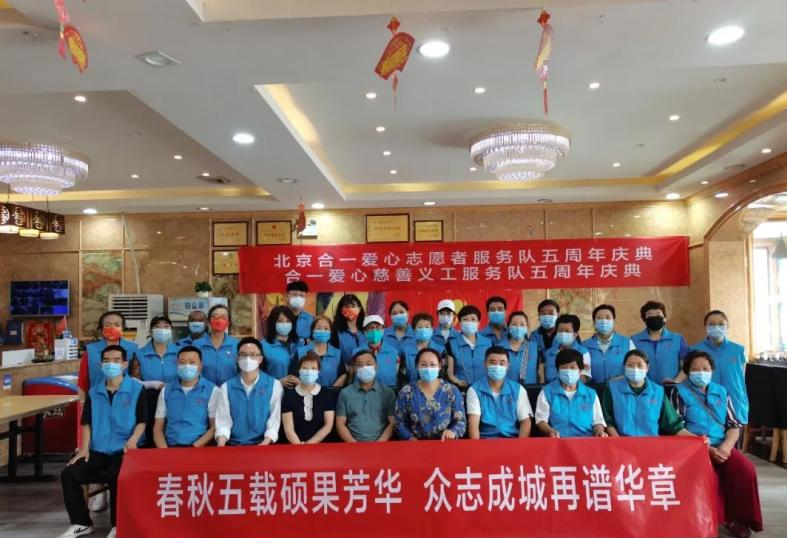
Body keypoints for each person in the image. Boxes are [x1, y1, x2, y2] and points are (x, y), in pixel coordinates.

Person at [671, 350, 762, 538]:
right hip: (693, 448)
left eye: (705, 368)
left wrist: (726, 448)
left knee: (746, 470)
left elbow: (733, 425)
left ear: (711, 370)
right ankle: (704, 520)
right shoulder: (678, 392)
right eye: (695, 369)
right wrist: (706, 448)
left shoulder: (721, 391)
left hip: (722, 445)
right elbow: (677, 427)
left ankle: (739, 520)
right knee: (707, 478)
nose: (701, 372)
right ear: (687, 371)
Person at [59, 345, 146, 538]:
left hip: (124, 449)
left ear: (124, 364)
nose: (111, 364)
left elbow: (142, 421)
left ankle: (118, 525)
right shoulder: (94, 392)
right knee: (69, 473)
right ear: (100, 365)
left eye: (116, 360)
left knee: (117, 474)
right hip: (98, 449)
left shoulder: (137, 389)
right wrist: (84, 448)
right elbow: (86, 422)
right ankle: (81, 522)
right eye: (107, 361)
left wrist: (133, 441)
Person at [602, 349, 691, 437]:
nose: (635, 369)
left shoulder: (658, 392)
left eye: (640, 365)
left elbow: (673, 425)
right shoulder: (612, 388)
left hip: (650, 443)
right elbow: (608, 421)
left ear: (647, 367)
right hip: (621, 442)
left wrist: (695, 439)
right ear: (624, 367)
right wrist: (618, 440)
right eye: (630, 365)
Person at [215, 337, 283, 446]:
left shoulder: (274, 385)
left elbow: (274, 421)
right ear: (237, 358)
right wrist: (221, 447)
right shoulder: (226, 387)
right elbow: (223, 422)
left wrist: (263, 445)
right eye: (243, 354)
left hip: (263, 444)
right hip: (233, 445)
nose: (248, 359)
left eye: (253, 355)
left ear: (260, 359)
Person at [152, 346, 219, 448]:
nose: (187, 366)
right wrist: (165, 452)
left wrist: (193, 448)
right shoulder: (166, 390)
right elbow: (158, 428)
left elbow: (214, 427)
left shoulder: (212, 390)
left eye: (192, 362)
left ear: (200, 366)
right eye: (182, 362)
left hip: (198, 447)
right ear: (177, 364)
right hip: (169, 447)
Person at [691, 310, 749, 425]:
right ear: (705, 326)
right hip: (707, 404)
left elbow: (741, 377)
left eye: (721, 324)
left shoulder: (738, 350)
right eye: (711, 324)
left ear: (727, 326)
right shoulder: (695, 350)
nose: (716, 327)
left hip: (735, 403)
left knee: (735, 434)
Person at [395, 348, 466, 440]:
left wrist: (452, 432)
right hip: (415, 444)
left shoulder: (451, 391)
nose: (428, 368)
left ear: (440, 366)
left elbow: (461, 421)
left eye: (433, 364)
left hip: (444, 443)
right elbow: (399, 422)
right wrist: (409, 438)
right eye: (423, 364)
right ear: (417, 366)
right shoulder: (407, 392)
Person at [535, 348, 607, 438]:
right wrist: (550, 431)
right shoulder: (547, 392)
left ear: (580, 370)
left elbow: (598, 422)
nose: (568, 371)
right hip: (558, 440)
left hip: (585, 440)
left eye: (572, 367)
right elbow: (541, 420)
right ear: (558, 371)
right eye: (564, 367)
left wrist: (599, 431)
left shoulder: (591, 394)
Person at [467, 346, 533, 439]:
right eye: (492, 362)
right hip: (485, 442)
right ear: (485, 364)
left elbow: (525, 422)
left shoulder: (518, 389)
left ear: (508, 366)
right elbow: (473, 423)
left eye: (502, 363)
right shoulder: (474, 390)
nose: (497, 366)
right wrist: (477, 447)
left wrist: (520, 445)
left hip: (511, 441)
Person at [335, 350, 396, 442]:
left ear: (376, 366)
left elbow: (393, 423)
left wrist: (379, 444)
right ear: (355, 368)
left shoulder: (388, 393)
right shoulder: (345, 393)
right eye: (360, 364)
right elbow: (340, 424)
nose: (364, 367)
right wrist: (354, 445)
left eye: (368, 364)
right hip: (353, 444)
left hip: (381, 444)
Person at [77, 311, 139, 396]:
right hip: (97, 398)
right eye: (108, 325)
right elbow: (82, 383)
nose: (112, 328)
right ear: (101, 328)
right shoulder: (91, 350)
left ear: (123, 328)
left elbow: (137, 380)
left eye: (117, 325)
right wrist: (82, 402)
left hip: (126, 399)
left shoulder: (133, 349)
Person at [281, 352, 336, 444]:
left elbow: (328, 426)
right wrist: (299, 447)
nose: (309, 371)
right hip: (295, 446)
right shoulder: (289, 395)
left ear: (318, 371)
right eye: (305, 368)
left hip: (321, 446)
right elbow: (288, 429)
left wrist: (309, 444)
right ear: (299, 370)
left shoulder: (326, 394)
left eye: (313, 368)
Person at [631, 300, 689, 384]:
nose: (654, 318)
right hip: (645, 388)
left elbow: (685, 366)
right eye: (650, 315)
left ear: (664, 319)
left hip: (672, 387)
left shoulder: (678, 339)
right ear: (644, 320)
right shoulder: (634, 340)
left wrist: (675, 381)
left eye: (658, 315)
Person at [583, 304, 636, 383]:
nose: (604, 321)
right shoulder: (584, 346)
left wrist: (619, 379)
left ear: (614, 321)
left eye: (608, 317)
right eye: (599, 317)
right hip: (592, 388)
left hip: (619, 387)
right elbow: (582, 372)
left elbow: (635, 367)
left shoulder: (627, 343)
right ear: (594, 323)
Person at [446, 305, 492, 390]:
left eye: (473, 319)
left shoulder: (488, 343)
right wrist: (457, 382)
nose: (469, 322)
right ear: (460, 323)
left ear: (478, 323)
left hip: (484, 388)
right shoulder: (452, 343)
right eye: (465, 319)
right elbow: (450, 373)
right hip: (461, 390)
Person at [193, 305, 240, 387]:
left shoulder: (236, 344)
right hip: (204, 390)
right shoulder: (197, 344)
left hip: (230, 390)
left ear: (228, 322)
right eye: (215, 317)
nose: (219, 320)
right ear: (208, 321)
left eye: (223, 317)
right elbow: (194, 371)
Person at [294, 316, 347, 387]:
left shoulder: (337, 353)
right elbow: (293, 376)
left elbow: (343, 375)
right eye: (319, 328)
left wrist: (330, 391)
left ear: (330, 332)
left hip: (331, 393)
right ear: (312, 330)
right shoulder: (300, 352)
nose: (322, 331)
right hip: (304, 392)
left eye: (326, 329)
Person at [352, 315, 400, 388]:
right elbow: (352, 375)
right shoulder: (356, 352)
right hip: (362, 392)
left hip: (388, 392)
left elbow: (397, 373)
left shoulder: (394, 352)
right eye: (371, 328)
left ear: (383, 329)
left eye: (378, 327)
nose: (374, 331)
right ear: (365, 331)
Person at [542, 314, 592, 383]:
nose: (563, 333)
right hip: (551, 389)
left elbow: (583, 379)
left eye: (567, 331)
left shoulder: (583, 352)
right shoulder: (549, 353)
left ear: (575, 334)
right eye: (560, 331)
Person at [399, 313, 446, 384]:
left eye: (427, 327)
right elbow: (401, 374)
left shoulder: (440, 350)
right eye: (420, 327)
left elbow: (443, 375)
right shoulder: (405, 349)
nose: (424, 329)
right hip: (411, 387)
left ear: (432, 329)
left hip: (434, 388)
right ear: (414, 330)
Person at [133, 316, 179, 387]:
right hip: (148, 393)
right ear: (151, 332)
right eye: (157, 327)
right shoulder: (139, 354)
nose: (162, 330)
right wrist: (151, 384)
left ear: (171, 331)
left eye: (166, 327)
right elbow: (134, 381)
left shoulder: (181, 352)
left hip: (176, 392)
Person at [262, 305, 299, 388]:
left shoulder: (300, 344)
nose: (285, 324)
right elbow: (258, 376)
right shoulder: (263, 346)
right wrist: (278, 383)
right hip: (273, 392)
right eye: (280, 321)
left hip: (299, 392)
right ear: (273, 323)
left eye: (288, 321)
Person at [499, 311, 540, 384]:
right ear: (508, 327)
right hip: (507, 389)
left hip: (530, 389)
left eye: (522, 324)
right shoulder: (499, 348)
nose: (518, 327)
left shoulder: (535, 347)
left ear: (527, 327)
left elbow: (541, 372)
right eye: (514, 324)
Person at [334, 294, 367, 364]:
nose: (350, 309)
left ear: (359, 309)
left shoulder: (366, 330)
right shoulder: (335, 332)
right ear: (341, 310)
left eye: (353, 306)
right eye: (347, 307)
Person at [286, 280, 313, 346]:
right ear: (287, 296)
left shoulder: (310, 318)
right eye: (294, 294)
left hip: (304, 352)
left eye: (302, 295)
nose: (298, 298)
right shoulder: (279, 316)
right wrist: (304, 341)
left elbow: (313, 340)